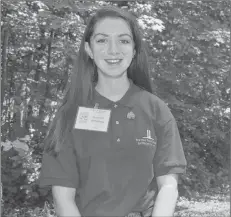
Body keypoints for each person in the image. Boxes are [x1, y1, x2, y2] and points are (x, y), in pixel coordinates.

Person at [39, 5, 187, 217]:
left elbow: (169, 186)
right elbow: (63, 197)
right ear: (88, 49)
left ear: (134, 50)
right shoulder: (68, 115)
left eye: (124, 40)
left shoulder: (157, 110)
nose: (113, 50)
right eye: (102, 40)